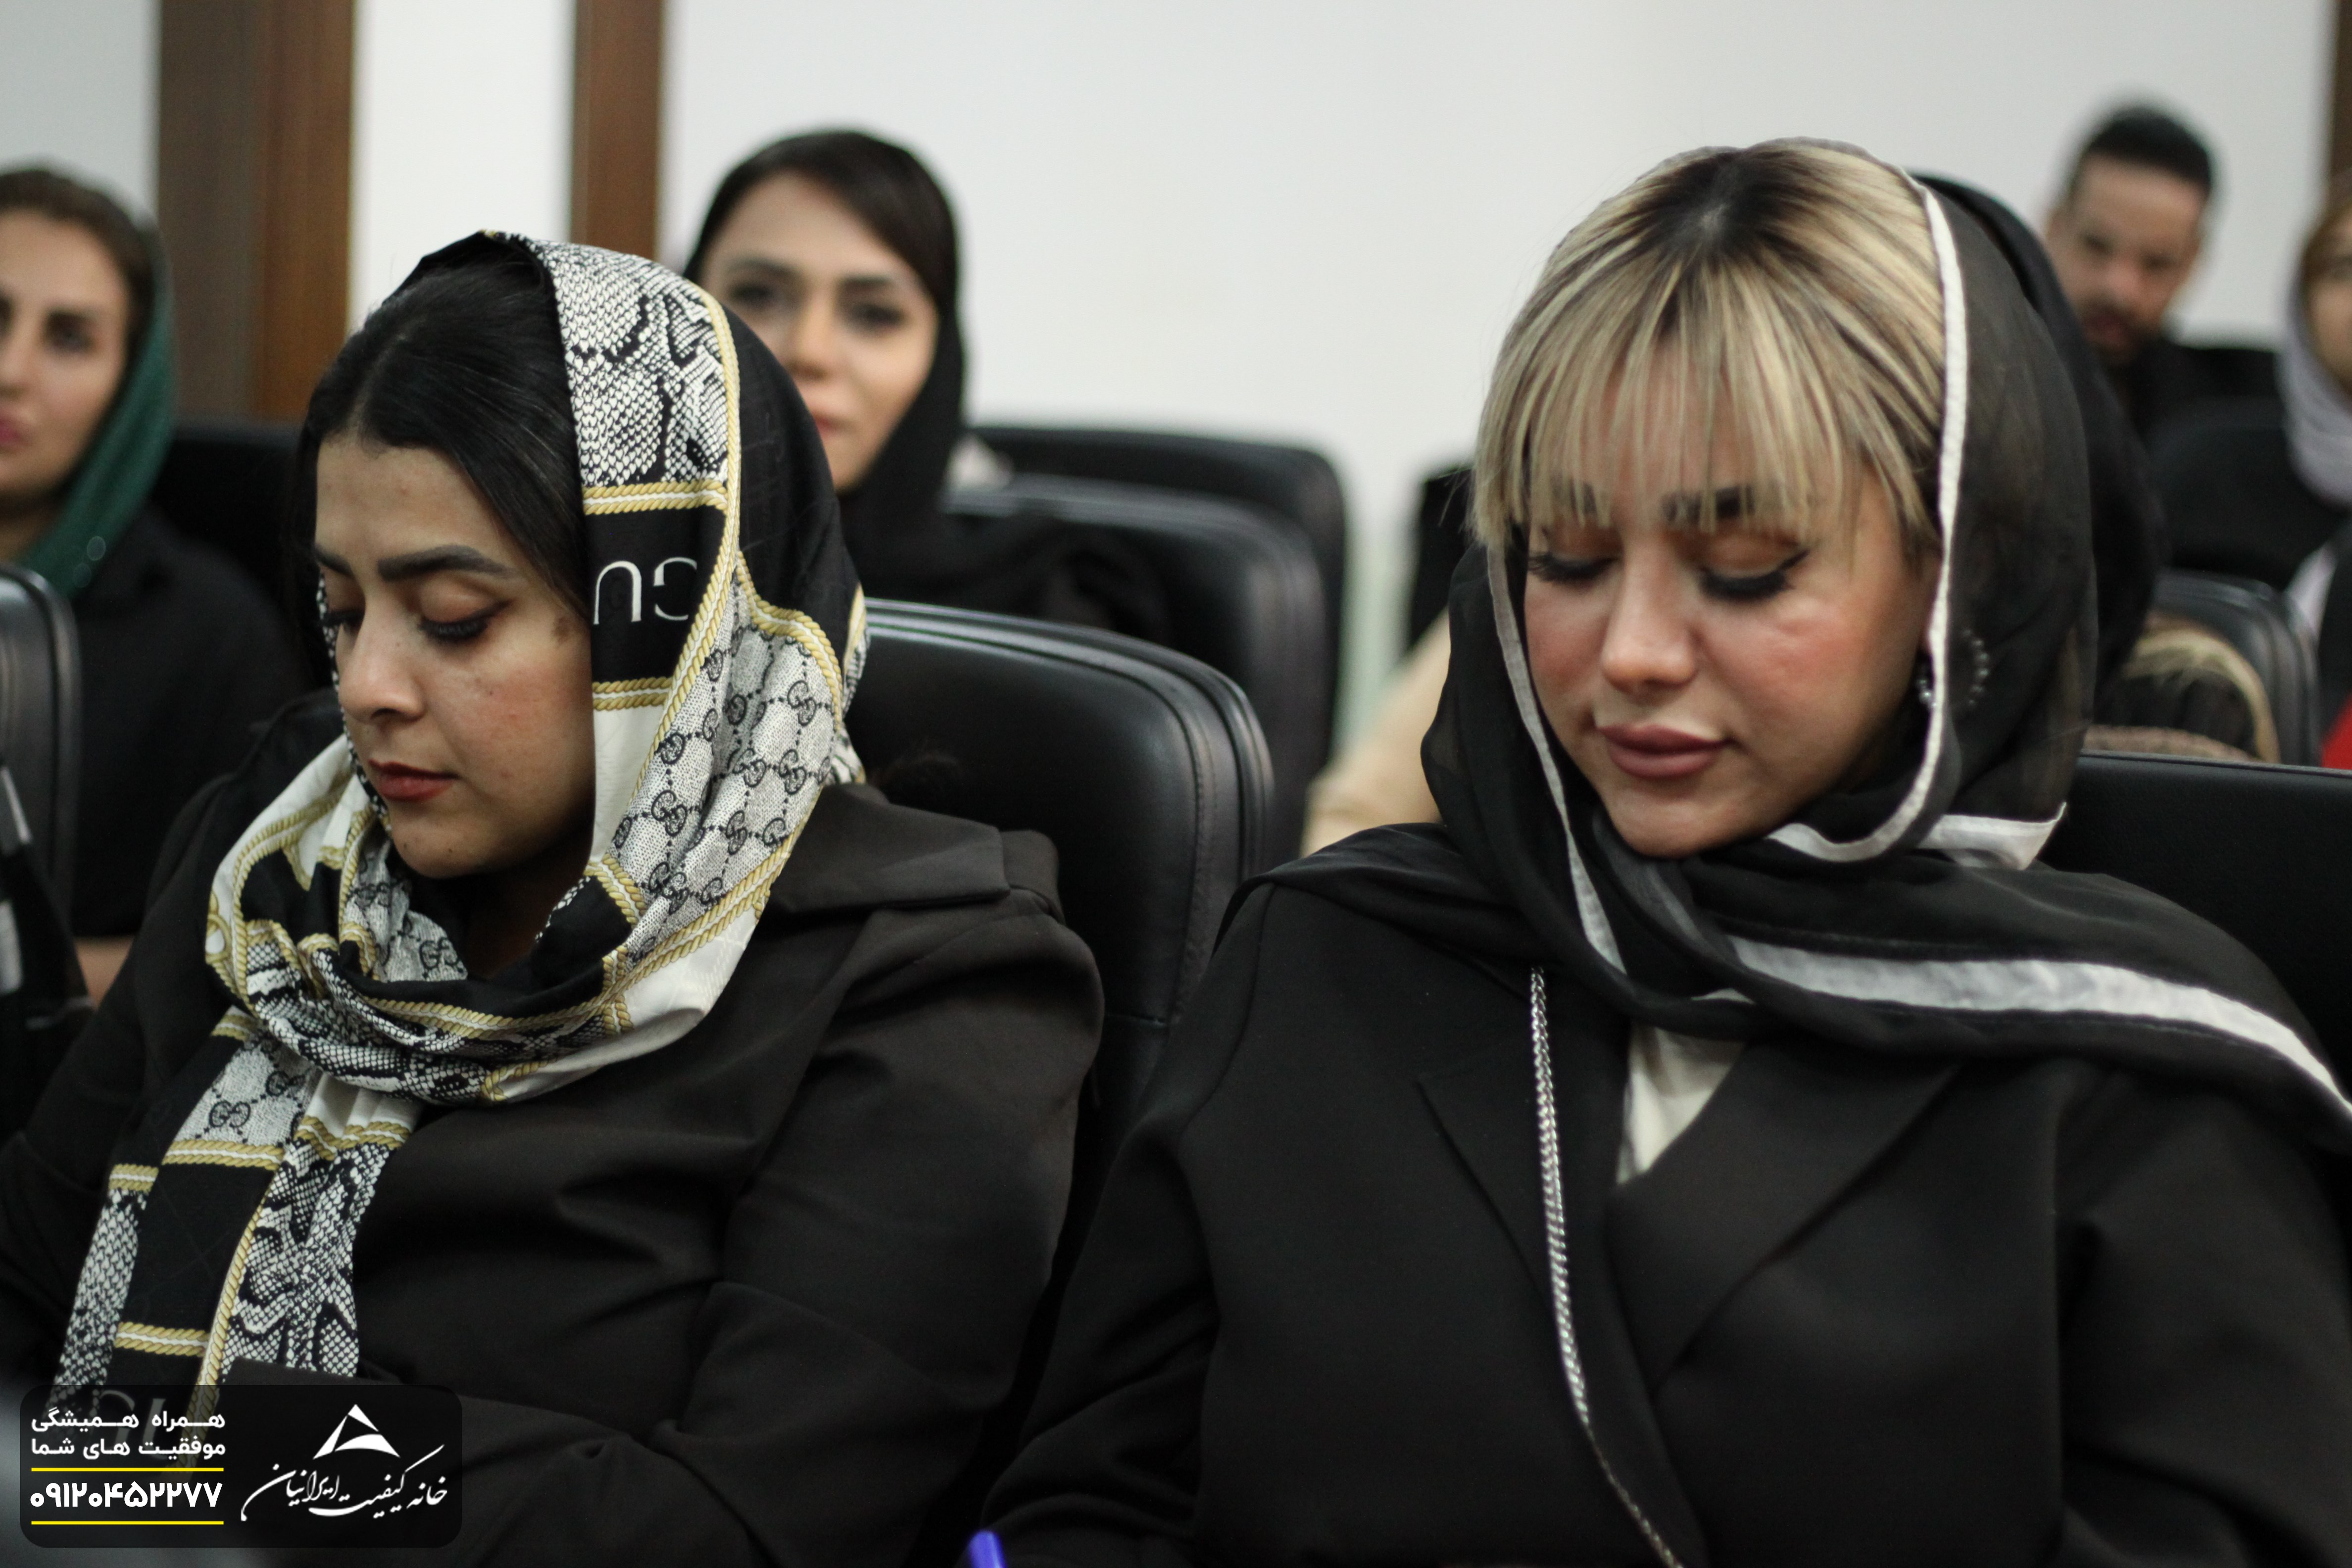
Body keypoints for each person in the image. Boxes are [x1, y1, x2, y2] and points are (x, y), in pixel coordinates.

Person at [988, 141, 2352, 1564]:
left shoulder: (2143, 1083)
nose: (1631, 651)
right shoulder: (1327, 959)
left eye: (1743, 569)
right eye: (1565, 557)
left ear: (1954, 578)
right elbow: (1092, 1505)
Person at [0, 235, 1102, 1565]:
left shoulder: (934, 983)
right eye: (341, 610)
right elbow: (28, 1270)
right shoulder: (290, 843)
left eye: (454, 617)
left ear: (664, 625)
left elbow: (739, 1529)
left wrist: (157, 1474)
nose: (368, 688)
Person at [0, 167, 308, 996]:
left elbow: (244, 949)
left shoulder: (212, 635)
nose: (12, 370)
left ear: (130, 386)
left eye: (69, 339)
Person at [685, 130, 1165, 638]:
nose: (809, 352)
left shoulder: (1036, 613)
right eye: (758, 295)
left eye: (874, 315)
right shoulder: (627, 581)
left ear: (939, 357)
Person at [2043, 105, 2274, 441]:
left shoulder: (2243, 408)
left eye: (2157, 263)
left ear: (2192, 263)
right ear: (2053, 228)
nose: (2120, 290)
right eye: (2097, 247)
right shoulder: (1981, 379)